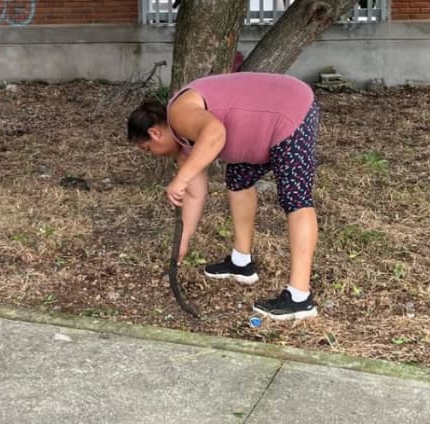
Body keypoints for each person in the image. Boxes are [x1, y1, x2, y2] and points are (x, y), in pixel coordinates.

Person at [127, 72, 320, 321]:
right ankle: (241, 263)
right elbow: (195, 194)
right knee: (238, 180)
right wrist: (182, 242)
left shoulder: (178, 114)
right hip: (260, 127)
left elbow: (215, 132)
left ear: (155, 133)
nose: (152, 154)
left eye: (147, 149)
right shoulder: (184, 145)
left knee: (295, 199)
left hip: (291, 109)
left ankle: (300, 298)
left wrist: (181, 178)